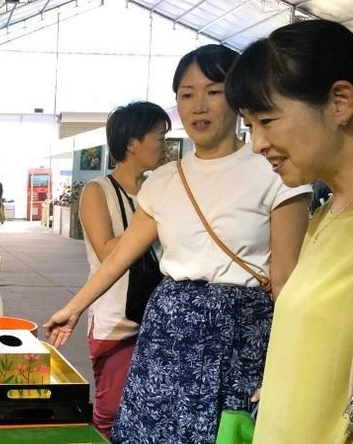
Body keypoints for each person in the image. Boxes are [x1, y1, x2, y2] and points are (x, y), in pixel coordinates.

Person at [44, 44, 311, 444]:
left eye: (213, 91)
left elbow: (287, 281)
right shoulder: (164, 181)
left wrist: (286, 370)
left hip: (241, 337)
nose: (198, 106)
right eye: (187, 95)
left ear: (237, 96)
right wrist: (74, 307)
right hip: (168, 334)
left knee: (225, 432)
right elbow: (117, 258)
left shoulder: (276, 173)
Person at [225, 19, 353, 443]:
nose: (258, 143)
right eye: (249, 127)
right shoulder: (325, 218)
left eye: (266, 120)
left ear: (340, 102)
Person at [78, 101, 171, 438]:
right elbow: (106, 251)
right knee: (111, 411)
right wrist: (155, 226)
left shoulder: (161, 189)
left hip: (158, 317)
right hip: (115, 320)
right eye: (158, 137)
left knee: (152, 409)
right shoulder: (96, 192)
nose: (164, 145)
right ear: (133, 143)